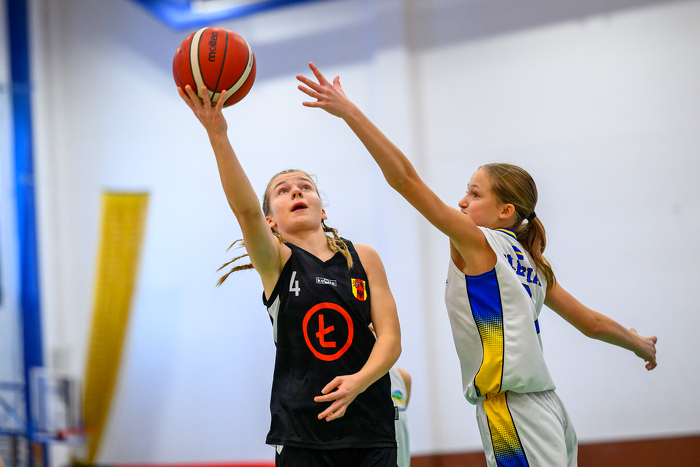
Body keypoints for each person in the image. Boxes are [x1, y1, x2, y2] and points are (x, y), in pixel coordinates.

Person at [296, 62, 658, 467]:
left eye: (474, 193)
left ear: (505, 211)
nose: (462, 201)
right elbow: (591, 323)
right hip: (550, 411)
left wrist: (349, 112)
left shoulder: (480, 243)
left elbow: (405, 180)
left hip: (511, 412)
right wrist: (638, 343)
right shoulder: (533, 263)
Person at [178, 84, 402, 467]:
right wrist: (218, 134)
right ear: (270, 221)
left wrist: (358, 382)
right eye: (283, 191)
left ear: (322, 209)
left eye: (305, 187)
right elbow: (246, 211)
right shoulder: (276, 261)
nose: (296, 192)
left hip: (371, 425)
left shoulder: (363, 257)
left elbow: (391, 339)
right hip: (302, 432)